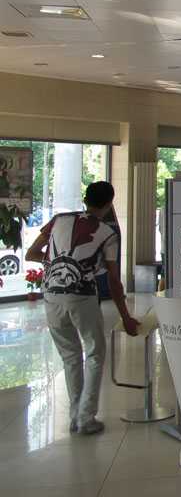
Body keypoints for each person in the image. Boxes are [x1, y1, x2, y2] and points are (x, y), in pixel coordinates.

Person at [26, 181, 140, 435]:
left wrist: (58, 263)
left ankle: (75, 416)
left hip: (51, 295)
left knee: (70, 356)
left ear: (86, 199)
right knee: (95, 353)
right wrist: (126, 317)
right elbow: (114, 280)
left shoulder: (58, 220)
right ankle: (85, 418)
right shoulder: (107, 232)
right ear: (109, 203)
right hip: (82, 296)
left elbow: (31, 253)